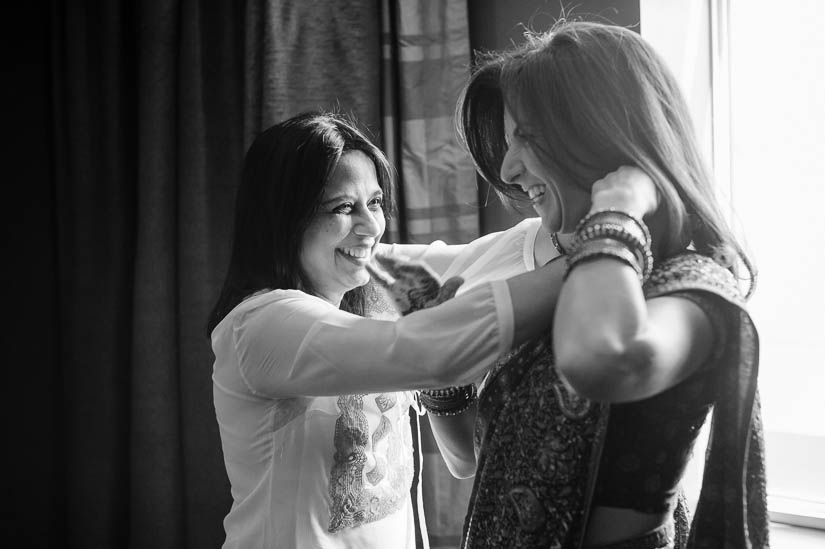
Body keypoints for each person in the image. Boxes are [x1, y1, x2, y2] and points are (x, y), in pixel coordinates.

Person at [445, 21, 768, 549]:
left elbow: (602, 359)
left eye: (525, 137)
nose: (507, 168)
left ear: (600, 133)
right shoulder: (583, 279)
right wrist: (440, 375)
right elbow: (491, 465)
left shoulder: (693, 291)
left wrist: (617, 209)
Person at [206, 111, 568, 549]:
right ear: (283, 218)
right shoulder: (260, 324)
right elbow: (435, 351)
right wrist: (614, 242)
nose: (370, 226)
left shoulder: (376, 279)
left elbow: (514, 252)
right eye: (343, 208)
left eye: (375, 202)